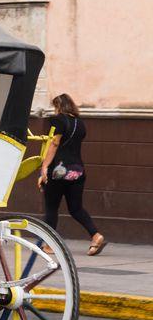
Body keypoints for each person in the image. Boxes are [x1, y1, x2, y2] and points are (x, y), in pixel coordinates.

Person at [38, 93, 107, 256]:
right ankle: (96, 235)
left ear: (59, 106)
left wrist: (44, 168)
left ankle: (49, 245)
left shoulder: (58, 120)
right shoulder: (80, 123)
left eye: (55, 107)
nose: (55, 111)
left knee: (51, 208)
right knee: (76, 208)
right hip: (77, 171)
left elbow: (54, 144)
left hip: (59, 171)